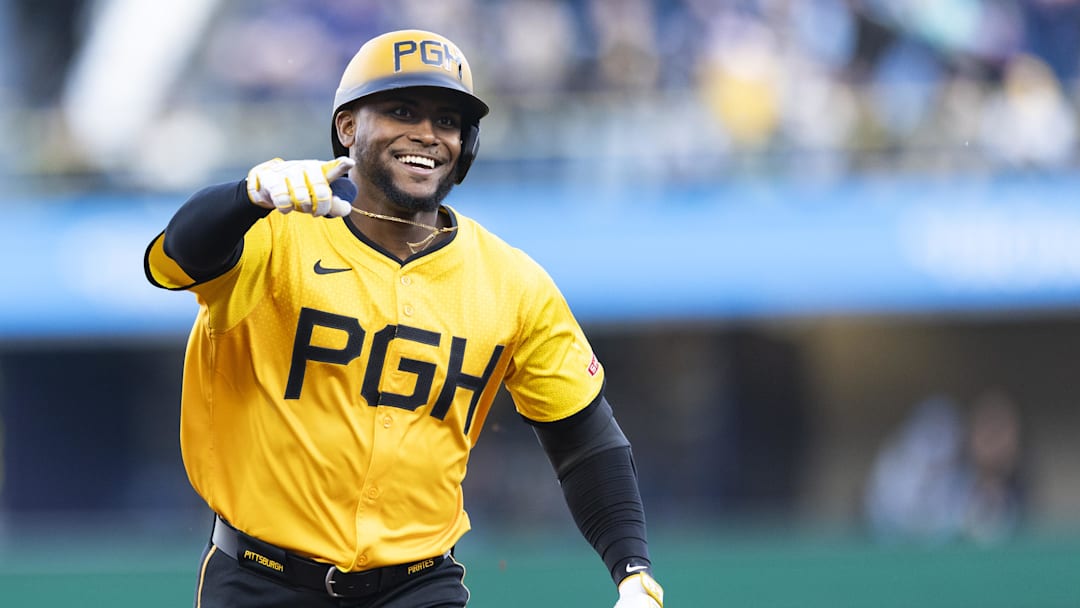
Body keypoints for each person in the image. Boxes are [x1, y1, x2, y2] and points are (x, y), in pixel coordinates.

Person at [144, 29, 664, 608]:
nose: (427, 135)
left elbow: (582, 436)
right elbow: (175, 260)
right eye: (400, 110)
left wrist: (631, 569)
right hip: (261, 578)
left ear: (466, 146)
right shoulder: (274, 231)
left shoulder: (513, 281)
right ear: (347, 127)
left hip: (418, 586)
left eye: (447, 121)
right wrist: (246, 196)